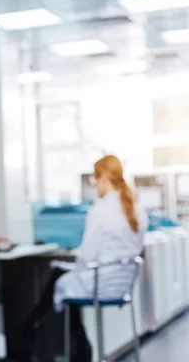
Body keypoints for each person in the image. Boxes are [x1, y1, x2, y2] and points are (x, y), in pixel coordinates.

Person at [24, 155, 148, 361]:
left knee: (59, 278)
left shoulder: (100, 210)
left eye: (95, 179)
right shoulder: (138, 209)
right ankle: (71, 344)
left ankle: (43, 330)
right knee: (62, 276)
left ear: (104, 178)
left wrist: (73, 259)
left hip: (99, 283)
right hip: (122, 285)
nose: (95, 185)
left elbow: (86, 256)